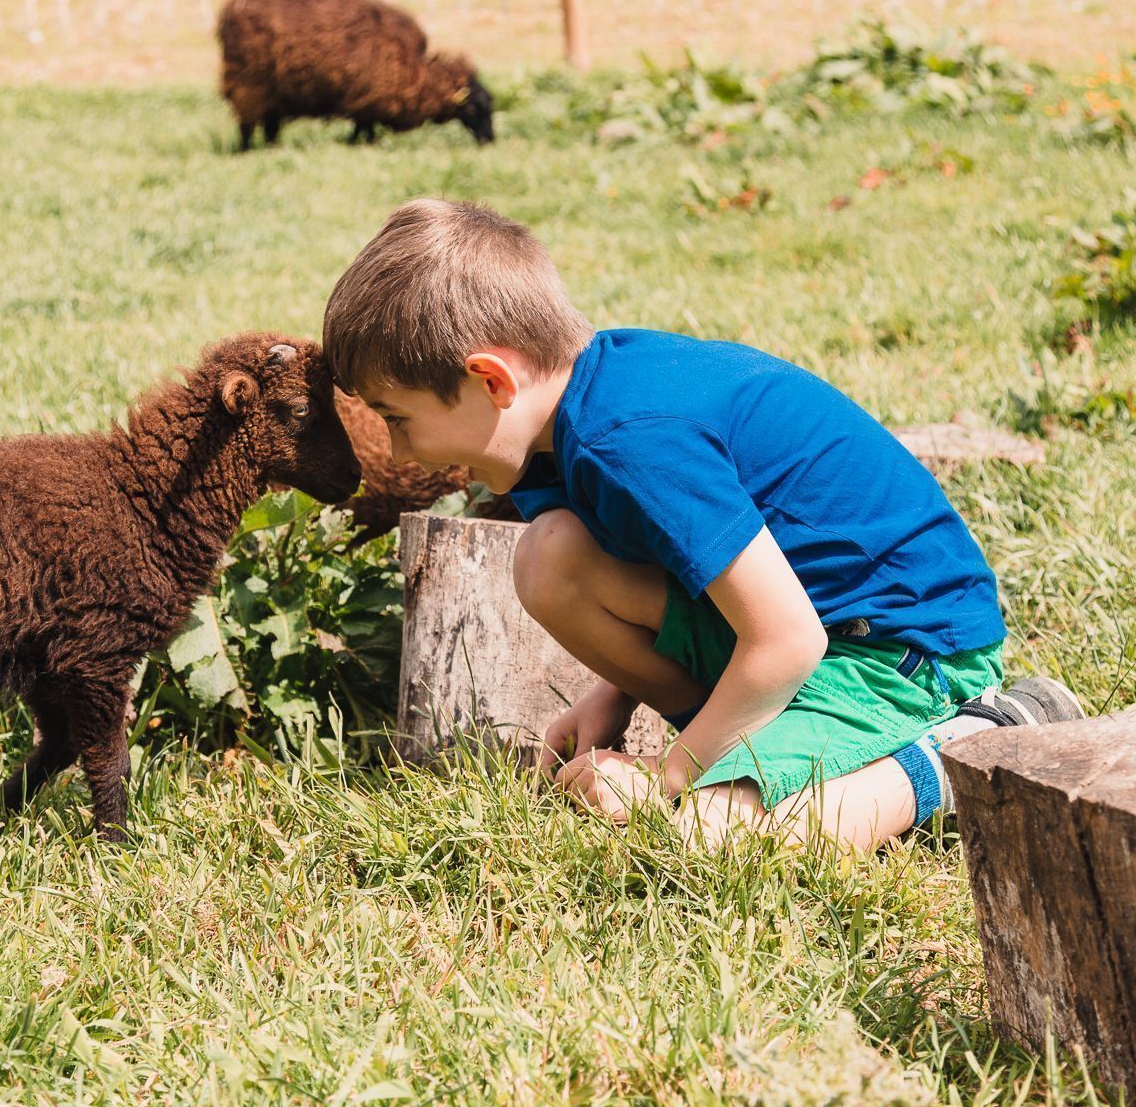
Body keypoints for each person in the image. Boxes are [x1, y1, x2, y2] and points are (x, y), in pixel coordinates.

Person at [322, 198, 1082, 848]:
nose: (395, 449)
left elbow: (788, 639)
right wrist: (610, 697)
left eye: (397, 420)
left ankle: (976, 740)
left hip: (898, 650)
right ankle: (747, 748)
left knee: (711, 841)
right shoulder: (559, 431)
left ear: (490, 379)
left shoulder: (631, 439)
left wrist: (666, 781)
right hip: (798, 628)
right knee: (549, 557)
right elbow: (678, 569)